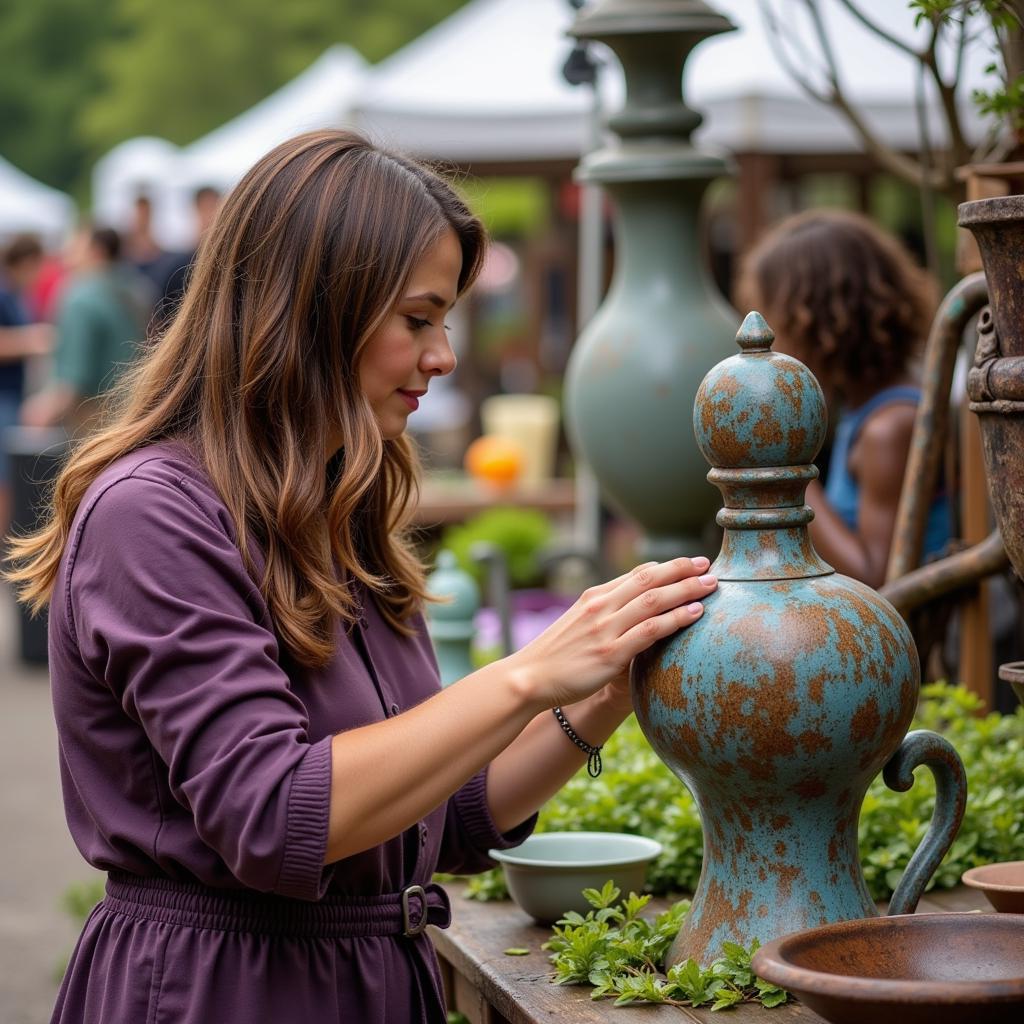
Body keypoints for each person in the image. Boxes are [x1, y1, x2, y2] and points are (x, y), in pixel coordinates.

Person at [6, 130, 717, 1024]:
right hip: (222, 994)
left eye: (446, 320)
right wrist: (529, 672)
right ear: (313, 310)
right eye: (417, 319)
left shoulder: (340, 507)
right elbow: (273, 814)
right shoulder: (152, 513)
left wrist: (604, 688)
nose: (444, 356)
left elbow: (436, 816)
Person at [736, 209, 948, 589]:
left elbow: (878, 581)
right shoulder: (864, 409)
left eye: (777, 325)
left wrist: (786, 475)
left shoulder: (890, 428)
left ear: (816, 323)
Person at [20, 225, 151, 433]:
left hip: (92, 421)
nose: (67, 252)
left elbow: (74, 379)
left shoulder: (79, 297)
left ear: (96, 251)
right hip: (135, 412)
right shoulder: (139, 290)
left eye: (75, 245)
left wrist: (41, 411)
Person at [0, 234, 53, 530]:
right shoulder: (4, 294)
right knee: (3, 477)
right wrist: (33, 341)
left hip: (12, 393)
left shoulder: (18, 295)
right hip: (3, 394)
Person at [150, 184, 222, 334]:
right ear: (195, 210)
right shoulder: (178, 266)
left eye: (214, 208)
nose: (210, 216)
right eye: (206, 208)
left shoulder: (228, 263)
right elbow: (163, 318)